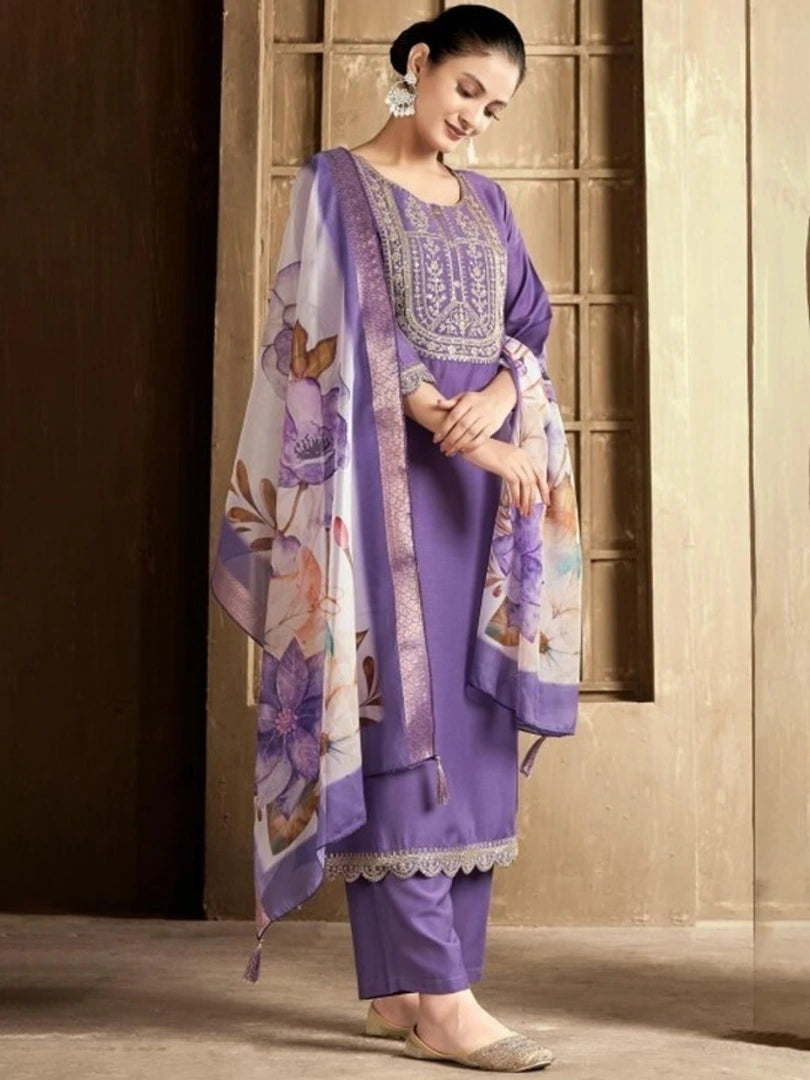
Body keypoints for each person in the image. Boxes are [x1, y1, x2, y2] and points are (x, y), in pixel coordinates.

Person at [210, 5, 582, 1073]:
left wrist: (506, 405)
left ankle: (412, 993)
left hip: (484, 500)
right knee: (397, 718)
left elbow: (528, 330)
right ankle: (446, 998)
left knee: (469, 723)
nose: (476, 120)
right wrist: (437, 416)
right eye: (467, 90)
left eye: (497, 108)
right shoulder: (336, 183)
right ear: (418, 64)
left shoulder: (490, 202)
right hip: (380, 495)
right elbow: (324, 336)